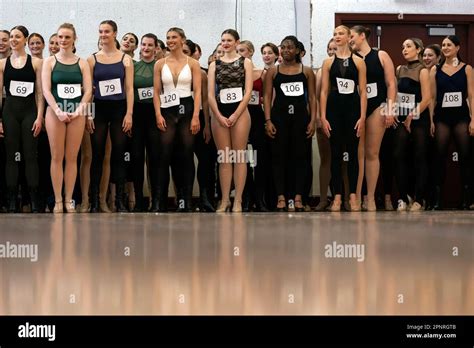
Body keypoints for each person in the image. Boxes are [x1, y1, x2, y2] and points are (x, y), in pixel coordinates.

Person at [42, 23, 92, 213]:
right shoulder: (49, 62)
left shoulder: (82, 62)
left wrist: (80, 109)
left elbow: (87, 90)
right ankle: (57, 200)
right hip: (55, 112)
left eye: (67, 37)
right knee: (56, 157)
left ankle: (69, 198)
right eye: (60, 37)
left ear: (74, 39)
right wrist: (57, 110)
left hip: (76, 111)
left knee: (72, 158)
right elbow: (46, 90)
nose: (63, 41)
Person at [264, 35, 316, 212]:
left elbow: (312, 98)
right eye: (283, 47)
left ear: (297, 50)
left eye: (290, 47)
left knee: (300, 157)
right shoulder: (273, 71)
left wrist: (313, 120)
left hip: (301, 118)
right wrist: (268, 120)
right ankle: (281, 197)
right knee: (279, 157)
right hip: (279, 118)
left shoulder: (307, 71)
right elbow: (267, 97)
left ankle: (299, 196)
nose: (286, 50)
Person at [87, 20, 133, 213]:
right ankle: (95, 200)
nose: (103, 34)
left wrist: (129, 113)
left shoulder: (125, 59)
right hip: (98, 108)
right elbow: (88, 89)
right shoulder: (91, 59)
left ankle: (119, 200)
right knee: (96, 155)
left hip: (119, 108)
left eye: (107, 31)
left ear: (115, 33)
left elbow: (129, 88)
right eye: (100, 31)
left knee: (119, 154)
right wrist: (89, 114)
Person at [153, 27, 201, 212]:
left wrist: (196, 115)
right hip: (166, 110)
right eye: (168, 37)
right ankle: (159, 200)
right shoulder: (160, 63)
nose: (170, 40)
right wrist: (158, 114)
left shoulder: (193, 64)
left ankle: (186, 200)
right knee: (163, 155)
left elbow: (197, 91)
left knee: (186, 155)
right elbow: (156, 92)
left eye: (174, 37)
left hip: (187, 109)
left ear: (183, 40)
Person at [320, 25, 367, 212]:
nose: (337, 36)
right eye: (334, 34)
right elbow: (323, 91)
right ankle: (337, 196)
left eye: (341, 34)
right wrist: (323, 117)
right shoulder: (328, 63)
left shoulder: (359, 62)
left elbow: (363, 91)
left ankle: (354, 197)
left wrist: (363, 117)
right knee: (336, 154)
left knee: (354, 153)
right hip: (334, 109)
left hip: (353, 109)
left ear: (349, 37)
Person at [350, 25, 396, 211]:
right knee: (358, 154)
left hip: (377, 105)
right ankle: (358, 197)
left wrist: (390, 109)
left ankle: (370, 197)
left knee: (372, 153)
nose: (350, 39)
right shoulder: (350, 59)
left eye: (352, 36)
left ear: (362, 36)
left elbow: (391, 84)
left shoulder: (381, 55)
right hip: (356, 108)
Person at [0, 25, 44, 213]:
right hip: (9, 112)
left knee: (30, 156)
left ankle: (33, 199)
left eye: (17, 36)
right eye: (11, 37)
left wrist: (40, 116)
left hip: (30, 113)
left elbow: (40, 93)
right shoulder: (2, 64)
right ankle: (11, 200)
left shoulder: (36, 63)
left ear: (25, 40)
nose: (13, 40)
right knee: (11, 157)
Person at [208, 29, 252, 213]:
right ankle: (225, 199)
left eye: (229, 40)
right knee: (225, 157)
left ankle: (238, 200)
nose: (225, 43)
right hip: (220, 111)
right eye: (223, 40)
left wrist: (235, 114)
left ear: (236, 42)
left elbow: (248, 92)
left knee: (239, 156)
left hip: (240, 111)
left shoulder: (245, 62)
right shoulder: (214, 64)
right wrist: (218, 115)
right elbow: (210, 94)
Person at [430, 35, 474, 209]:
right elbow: (433, 97)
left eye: (449, 45)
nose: (445, 47)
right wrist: (431, 120)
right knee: (439, 157)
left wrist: (473, 119)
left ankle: (467, 199)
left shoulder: (467, 69)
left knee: (465, 157)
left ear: (457, 47)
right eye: (443, 45)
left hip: (462, 116)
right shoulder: (435, 69)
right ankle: (438, 199)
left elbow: (471, 95)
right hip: (441, 117)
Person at [392, 38, 431, 211]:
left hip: (418, 117)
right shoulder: (400, 69)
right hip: (400, 116)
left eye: (408, 46)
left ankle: (419, 199)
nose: (404, 49)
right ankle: (402, 197)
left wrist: (411, 116)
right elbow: (394, 94)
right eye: (403, 46)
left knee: (419, 156)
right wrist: (391, 111)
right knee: (399, 155)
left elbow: (427, 98)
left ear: (418, 49)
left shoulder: (423, 71)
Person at [183, 39, 216, 212]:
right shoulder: (169, 71)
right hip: (179, 120)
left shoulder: (201, 73)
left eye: (186, 52)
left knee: (205, 161)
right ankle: (186, 199)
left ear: (194, 54)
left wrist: (207, 126)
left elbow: (205, 100)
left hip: (200, 120)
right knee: (185, 160)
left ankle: (205, 198)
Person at [237, 40, 269, 211]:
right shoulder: (234, 73)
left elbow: (268, 96)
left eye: (242, 50)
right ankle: (246, 197)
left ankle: (260, 197)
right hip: (239, 116)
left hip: (256, 115)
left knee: (260, 158)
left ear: (250, 52)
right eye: (238, 51)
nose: (240, 53)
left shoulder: (261, 72)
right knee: (243, 157)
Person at [130, 33, 159, 212]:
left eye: (150, 45)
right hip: (137, 114)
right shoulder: (133, 66)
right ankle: (138, 199)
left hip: (156, 114)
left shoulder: (160, 65)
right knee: (137, 157)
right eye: (143, 45)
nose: (146, 48)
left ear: (156, 48)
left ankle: (155, 199)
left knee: (155, 159)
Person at [314, 38, 337, 211]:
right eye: (329, 49)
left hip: (345, 116)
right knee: (326, 159)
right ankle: (323, 198)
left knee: (344, 159)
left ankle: (341, 197)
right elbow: (315, 97)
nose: (332, 52)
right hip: (325, 116)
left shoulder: (351, 68)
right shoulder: (322, 70)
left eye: (335, 49)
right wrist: (318, 118)